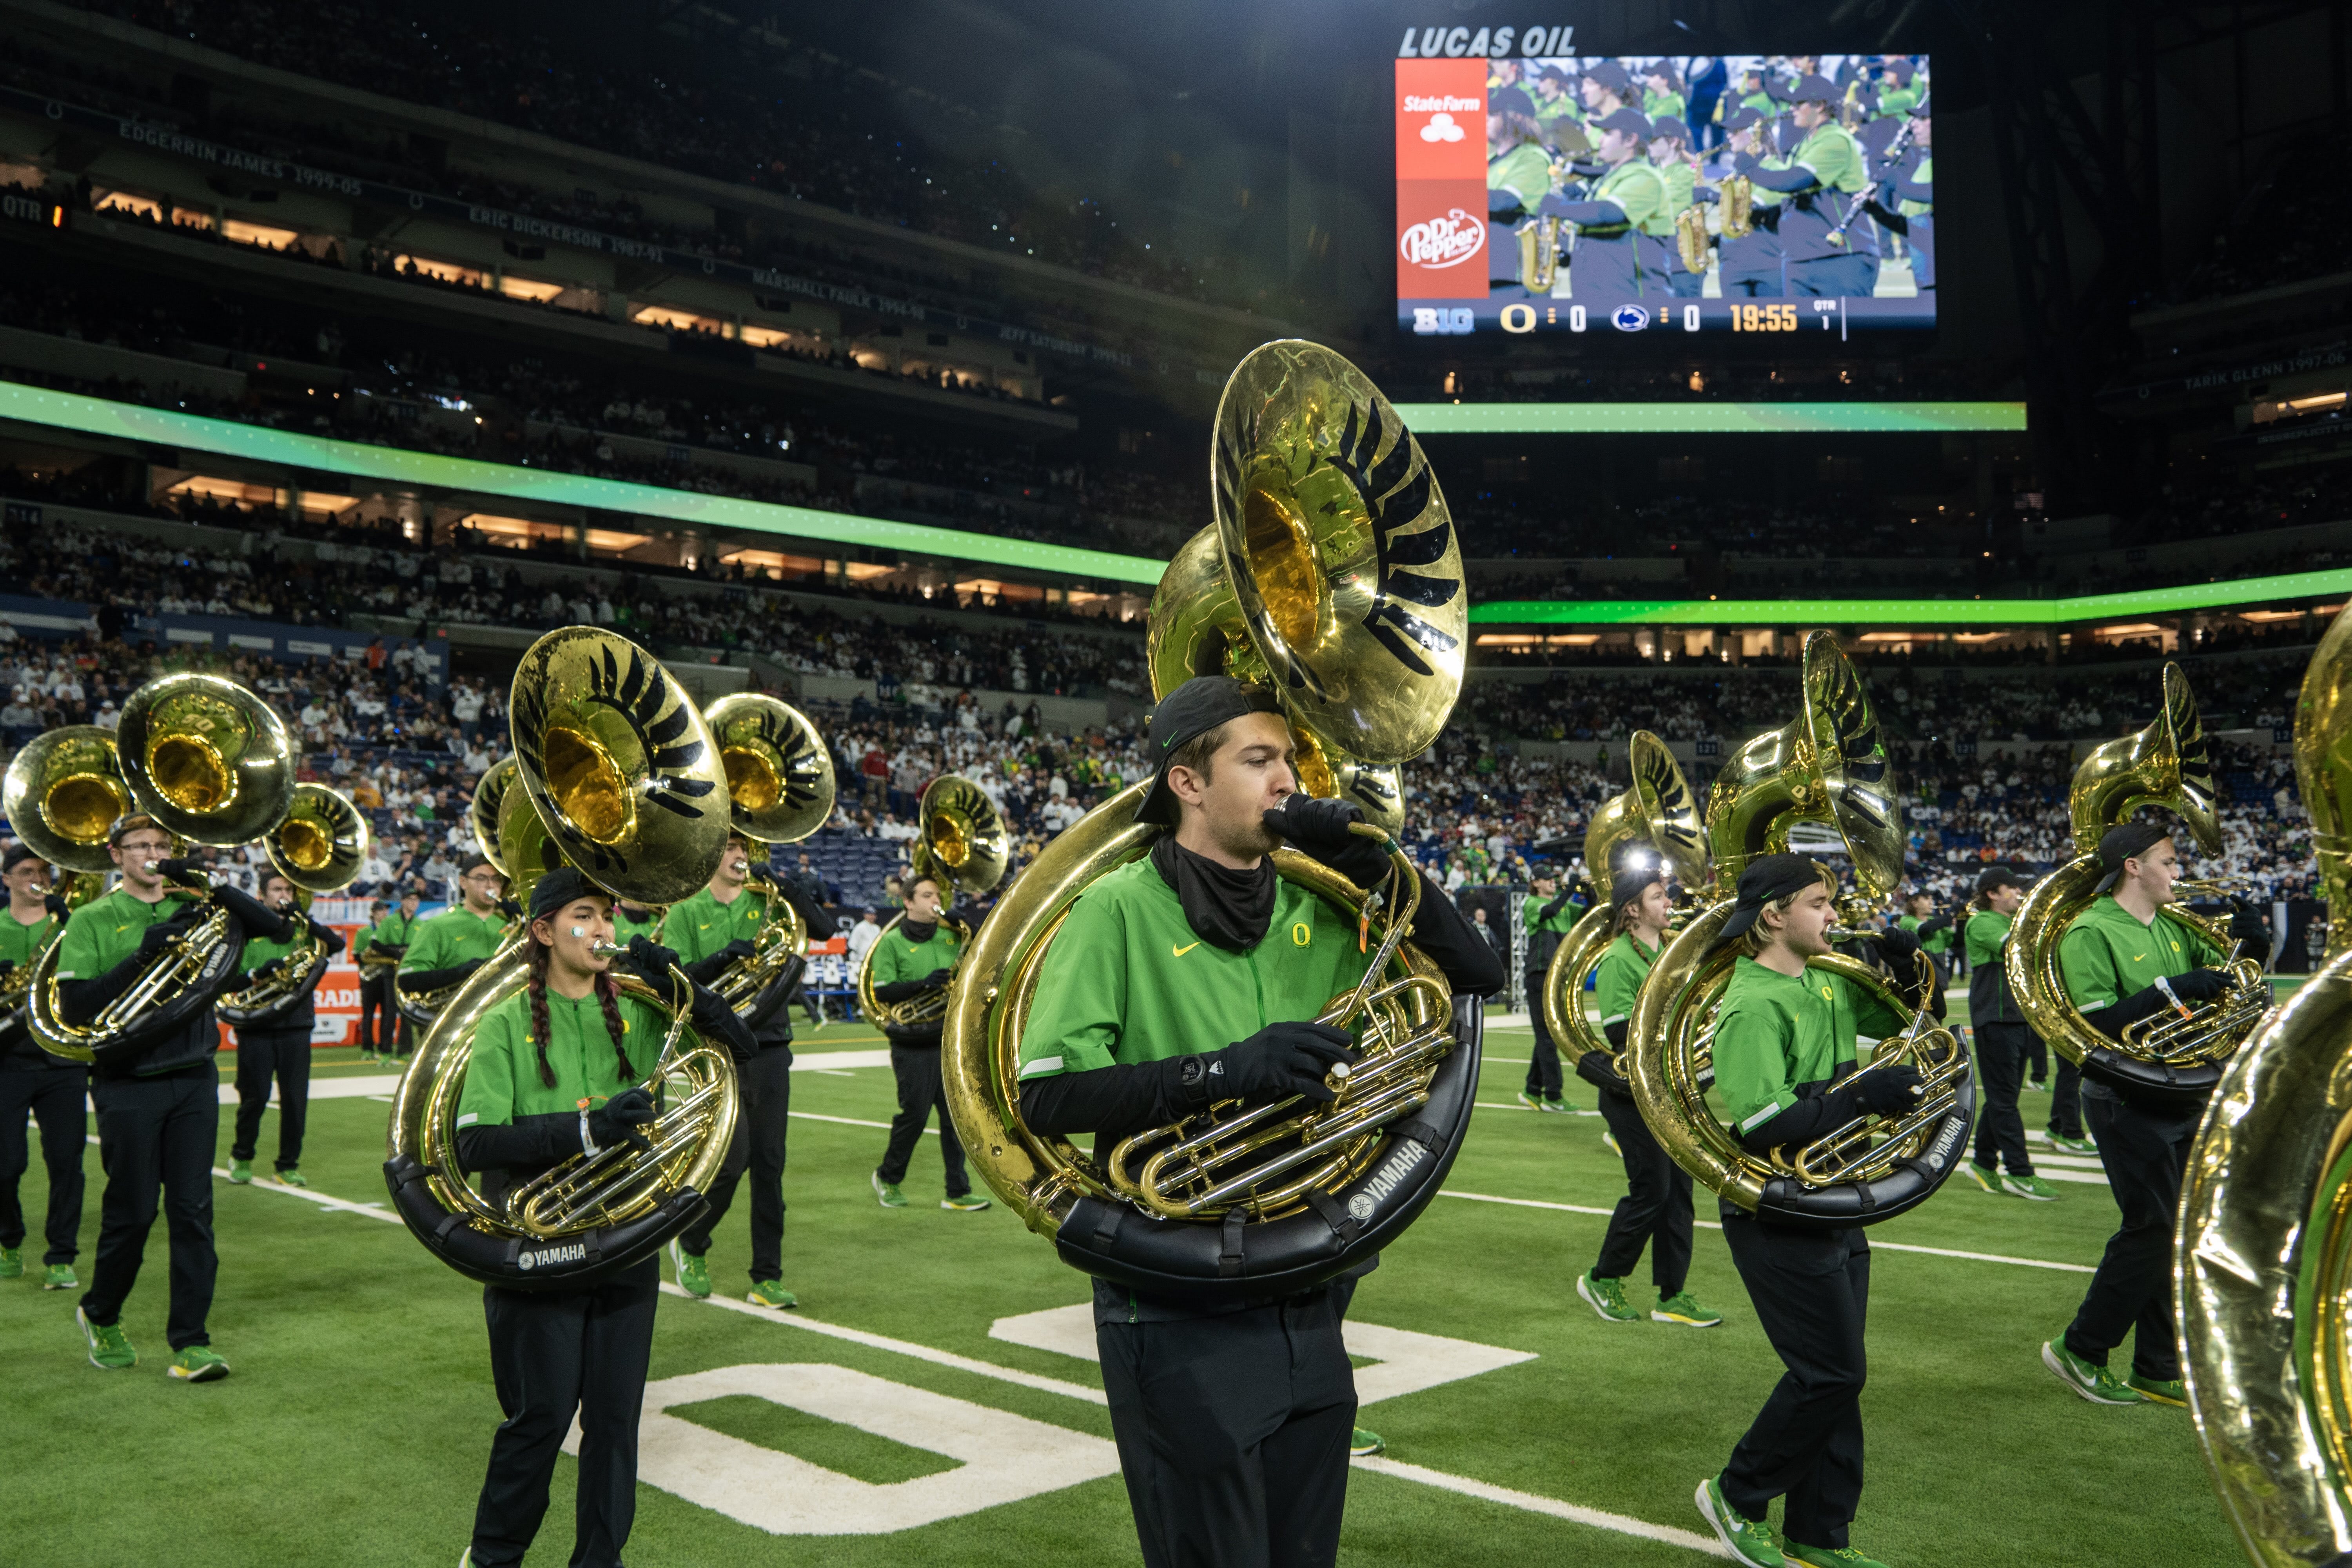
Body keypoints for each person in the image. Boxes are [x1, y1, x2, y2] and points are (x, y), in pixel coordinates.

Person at [1014, 676, 1504, 1568]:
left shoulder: (1316, 897)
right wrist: (1222, 1072)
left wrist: (1373, 858)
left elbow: (1474, 969)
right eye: (1260, 760)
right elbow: (1047, 1096)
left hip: (1312, 1288)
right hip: (1177, 1300)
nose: (1288, 780)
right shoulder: (1114, 908)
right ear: (1187, 783)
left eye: (1287, 759)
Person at [452, 866, 752, 1568]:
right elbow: (477, 1143)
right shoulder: (502, 1024)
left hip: (623, 1243)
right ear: (542, 931)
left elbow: (744, 1043)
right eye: (583, 915)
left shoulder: (641, 1008)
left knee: (615, 1424)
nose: (603, 929)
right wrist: (587, 1131)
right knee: (541, 1420)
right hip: (538, 1246)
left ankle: (600, 1560)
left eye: (609, 917)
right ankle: (494, 1556)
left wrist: (676, 978)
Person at [1695, 854, 1929, 1568]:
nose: (1835, 916)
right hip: (1776, 1209)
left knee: (1842, 1377)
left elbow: (1917, 1019)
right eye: (1821, 904)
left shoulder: (1826, 981)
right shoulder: (1751, 1004)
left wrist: (1912, 967)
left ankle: (1819, 1535)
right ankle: (1737, 1494)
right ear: (1774, 916)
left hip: (1830, 1199)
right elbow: (1764, 1124)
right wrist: (1860, 1097)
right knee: (1831, 1373)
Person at [2040, 823, 2269, 1408]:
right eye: (2168, 861)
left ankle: (2157, 1364)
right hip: (2124, 1098)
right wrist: (2174, 989)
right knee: (2152, 1228)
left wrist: (2251, 946)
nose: (2178, 871)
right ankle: (2082, 1348)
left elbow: (2233, 989)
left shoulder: (2171, 927)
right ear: (2133, 867)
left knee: (2181, 1228)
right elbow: (2097, 1024)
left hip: (2181, 1088)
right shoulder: (2087, 929)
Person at [57, 813, 288, 1381]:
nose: (153, 854)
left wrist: (212, 881)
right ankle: (100, 1311)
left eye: (163, 845)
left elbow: (278, 932)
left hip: (194, 1079)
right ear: (117, 855)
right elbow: (75, 1008)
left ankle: (191, 1341)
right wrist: (143, 954)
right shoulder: (92, 918)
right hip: (127, 1082)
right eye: (141, 845)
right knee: (133, 1215)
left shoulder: (199, 905)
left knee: (193, 1214)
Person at [659, 833, 834, 1308]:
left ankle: (767, 1275)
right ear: (712, 857)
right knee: (731, 1162)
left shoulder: (770, 901)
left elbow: (823, 927)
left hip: (771, 1044)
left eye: (747, 850)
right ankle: (692, 1241)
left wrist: (790, 887)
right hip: (718, 1047)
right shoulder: (686, 911)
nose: (742, 857)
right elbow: (672, 979)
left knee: (770, 1165)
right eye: (733, 849)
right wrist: (720, 959)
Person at [1576, 864, 1719, 1328]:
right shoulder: (1620, 957)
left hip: (1670, 1091)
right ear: (1633, 910)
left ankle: (1672, 1295)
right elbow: (1621, 1032)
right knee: (1652, 1191)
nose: (1669, 903)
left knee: (1679, 1193)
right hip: (1632, 1095)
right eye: (1659, 896)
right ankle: (1602, 1278)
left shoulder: (1669, 954)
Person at [867, 871, 989, 1211]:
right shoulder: (891, 941)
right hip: (912, 1042)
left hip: (948, 1040)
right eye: (926, 895)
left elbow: (985, 951)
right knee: (915, 1115)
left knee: (955, 1121)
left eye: (937, 895)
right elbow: (883, 991)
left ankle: (957, 1190)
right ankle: (888, 1178)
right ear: (908, 902)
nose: (935, 900)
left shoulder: (952, 935)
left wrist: (964, 920)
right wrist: (924, 984)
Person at [225, 872, 346, 1188]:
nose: (283, 894)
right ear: (262, 895)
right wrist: (255, 974)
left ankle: (288, 1165)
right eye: (277, 889)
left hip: (296, 1026)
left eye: (288, 889)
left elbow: (336, 944)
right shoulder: (248, 932)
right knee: (255, 1097)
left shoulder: (302, 931)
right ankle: (242, 1156)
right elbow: (228, 979)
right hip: (256, 1027)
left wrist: (301, 917)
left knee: (295, 1100)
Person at [0, 844, 83, 1290]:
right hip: (7, 1060)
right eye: (27, 871)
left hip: (62, 1061)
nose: (37, 878)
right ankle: (8, 1238)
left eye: (44, 871)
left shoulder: (67, 924)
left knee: (66, 1162)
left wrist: (67, 918)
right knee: (6, 1164)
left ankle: (61, 1255)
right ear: (7, 878)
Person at [1731, 74, 1879, 298]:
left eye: (1799, 104)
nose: (1792, 110)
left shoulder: (1835, 138)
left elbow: (1796, 181)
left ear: (1820, 106)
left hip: (1840, 257)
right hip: (1800, 257)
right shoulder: (1805, 142)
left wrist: (1752, 170)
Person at [1958, 867, 2057, 1201]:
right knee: (2004, 1099)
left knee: (2006, 1098)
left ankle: (1984, 1162)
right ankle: (2020, 1172)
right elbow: (2020, 949)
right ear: (1991, 894)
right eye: (2011, 888)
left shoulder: (2010, 920)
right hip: (1996, 1018)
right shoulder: (1983, 922)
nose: (2018, 893)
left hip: (2018, 1018)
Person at [1546, 107, 1668, 301]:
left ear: (1630, 140)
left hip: (1630, 292)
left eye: (1608, 134)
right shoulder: (1611, 177)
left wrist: (1557, 207)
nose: (1600, 140)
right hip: (1600, 285)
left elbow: (1608, 213)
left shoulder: (1644, 176)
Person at [398, 857, 512, 1020]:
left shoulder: (511, 923)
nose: (490, 885)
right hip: (458, 1020)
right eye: (481, 878)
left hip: (506, 1017)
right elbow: (407, 980)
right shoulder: (437, 925)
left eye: (496, 879)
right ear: (463, 882)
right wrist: (459, 973)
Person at [1518, 867, 1583, 1112]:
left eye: (1555, 880)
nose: (1553, 883)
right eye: (1547, 880)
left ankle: (1533, 1091)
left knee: (1547, 1036)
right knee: (1548, 1037)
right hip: (1540, 975)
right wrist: (1569, 890)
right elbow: (1550, 911)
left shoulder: (1564, 906)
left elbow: (1589, 913)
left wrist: (1587, 894)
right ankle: (1553, 1095)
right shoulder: (1531, 903)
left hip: (1555, 977)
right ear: (1535, 883)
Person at [354, 887, 421, 1061]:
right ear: (403, 902)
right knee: (389, 1012)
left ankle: (405, 1050)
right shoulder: (390, 922)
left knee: (407, 1012)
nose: (414, 903)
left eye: (416, 900)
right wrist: (397, 954)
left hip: (408, 973)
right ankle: (385, 1050)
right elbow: (376, 944)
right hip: (390, 971)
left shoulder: (421, 924)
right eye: (410, 899)